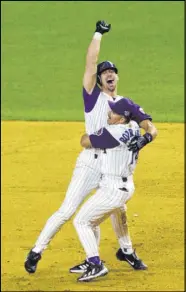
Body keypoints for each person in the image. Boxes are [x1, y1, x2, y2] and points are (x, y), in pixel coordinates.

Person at [24, 20, 157, 274]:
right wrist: (98, 34)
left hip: (111, 165)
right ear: (98, 79)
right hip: (90, 161)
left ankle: (123, 251)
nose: (109, 73)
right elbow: (90, 63)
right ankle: (37, 250)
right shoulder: (93, 96)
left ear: (117, 77)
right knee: (68, 210)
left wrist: (147, 135)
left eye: (113, 71)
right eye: (104, 72)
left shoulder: (124, 104)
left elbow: (148, 125)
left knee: (117, 207)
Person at [74, 99, 142, 282]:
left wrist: (97, 128)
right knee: (118, 210)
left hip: (113, 189)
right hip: (126, 186)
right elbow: (137, 117)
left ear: (121, 119)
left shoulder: (112, 133)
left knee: (82, 221)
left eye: (113, 113)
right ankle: (127, 251)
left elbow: (84, 141)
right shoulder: (135, 126)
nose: (109, 114)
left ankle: (95, 264)